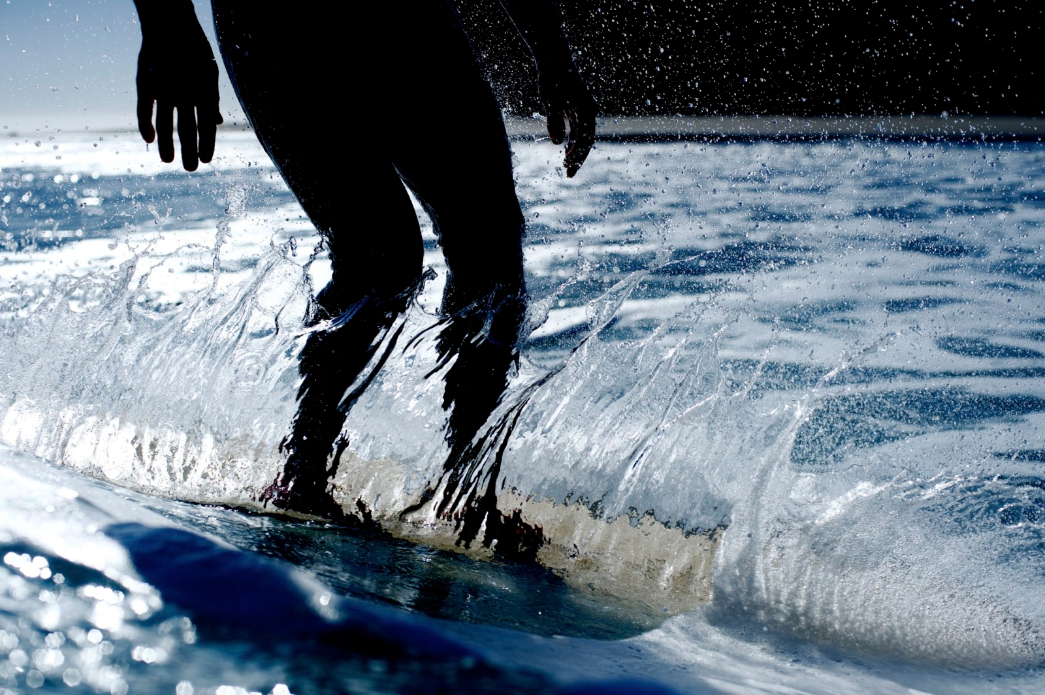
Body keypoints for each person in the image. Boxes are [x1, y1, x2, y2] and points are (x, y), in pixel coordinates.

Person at [132, 0, 597, 519]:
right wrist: (167, 24)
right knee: (381, 254)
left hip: (402, 15)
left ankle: (467, 494)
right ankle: (302, 469)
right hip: (268, 20)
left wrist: (552, 51)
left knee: (491, 246)